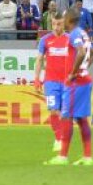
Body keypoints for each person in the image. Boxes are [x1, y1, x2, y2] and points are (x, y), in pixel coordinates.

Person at [45, 9, 93, 165]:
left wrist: (73, 73)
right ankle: (87, 157)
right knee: (81, 119)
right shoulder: (83, 33)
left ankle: (63, 156)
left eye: (64, 18)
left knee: (66, 117)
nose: (62, 20)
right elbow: (92, 53)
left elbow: (80, 53)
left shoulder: (73, 34)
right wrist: (84, 68)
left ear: (70, 19)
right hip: (85, 80)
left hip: (76, 83)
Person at [34, 14, 70, 154]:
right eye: (54, 24)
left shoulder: (70, 40)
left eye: (59, 24)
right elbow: (39, 60)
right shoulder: (45, 40)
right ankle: (58, 139)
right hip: (51, 82)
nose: (56, 27)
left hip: (67, 83)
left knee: (64, 114)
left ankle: (63, 137)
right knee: (53, 110)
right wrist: (37, 79)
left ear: (64, 23)